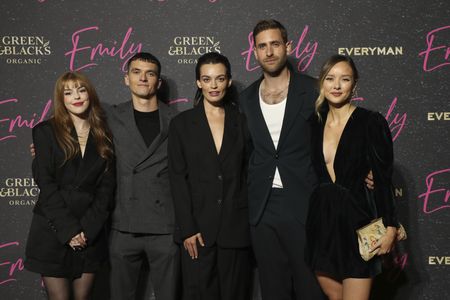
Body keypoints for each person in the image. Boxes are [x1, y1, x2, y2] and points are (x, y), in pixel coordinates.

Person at [238, 19, 325, 300]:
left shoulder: (314, 90)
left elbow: (335, 137)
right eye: (262, 46)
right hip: (263, 206)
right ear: (254, 52)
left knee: (310, 287)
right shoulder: (245, 98)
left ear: (287, 46)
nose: (269, 51)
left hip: (304, 201)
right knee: (273, 289)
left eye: (275, 44)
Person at [304, 54, 398, 300]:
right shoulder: (314, 123)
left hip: (357, 221)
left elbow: (383, 179)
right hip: (322, 222)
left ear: (354, 84)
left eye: (344, 79)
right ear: (322, 83)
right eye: (330, 78)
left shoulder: (371, 122)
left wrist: (390, 227)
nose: (336, 86)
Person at [25, 71, 116, 300]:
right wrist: (70, 231)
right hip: (53, 229)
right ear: (61, 99)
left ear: (90, 94)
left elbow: (106, 190)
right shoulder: (44, 131)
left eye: (81, 90)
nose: (76, 96)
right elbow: (46, 185)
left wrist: (86, 231)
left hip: (90, 233)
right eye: (68, 92)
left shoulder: (105, 136)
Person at [168, 52, 252, 300]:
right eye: (207, 79)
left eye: (220, 78)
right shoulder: (181, 124)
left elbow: (250, 172)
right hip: (197, 232)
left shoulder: (243, 122)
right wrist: (187, 228)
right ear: (198, 82)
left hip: (235, 229)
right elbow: (176, 177)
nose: (213, 85)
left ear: (228, 81)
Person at [104, 52, 180, 300]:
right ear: (126, 79)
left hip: (165, 226)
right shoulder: (110, 116)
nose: (143, 79)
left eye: (150, 73)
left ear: (158, 82)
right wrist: (45, 143)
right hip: (124, 224)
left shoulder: (178, 120)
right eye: (136, 72)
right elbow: (70, 120)